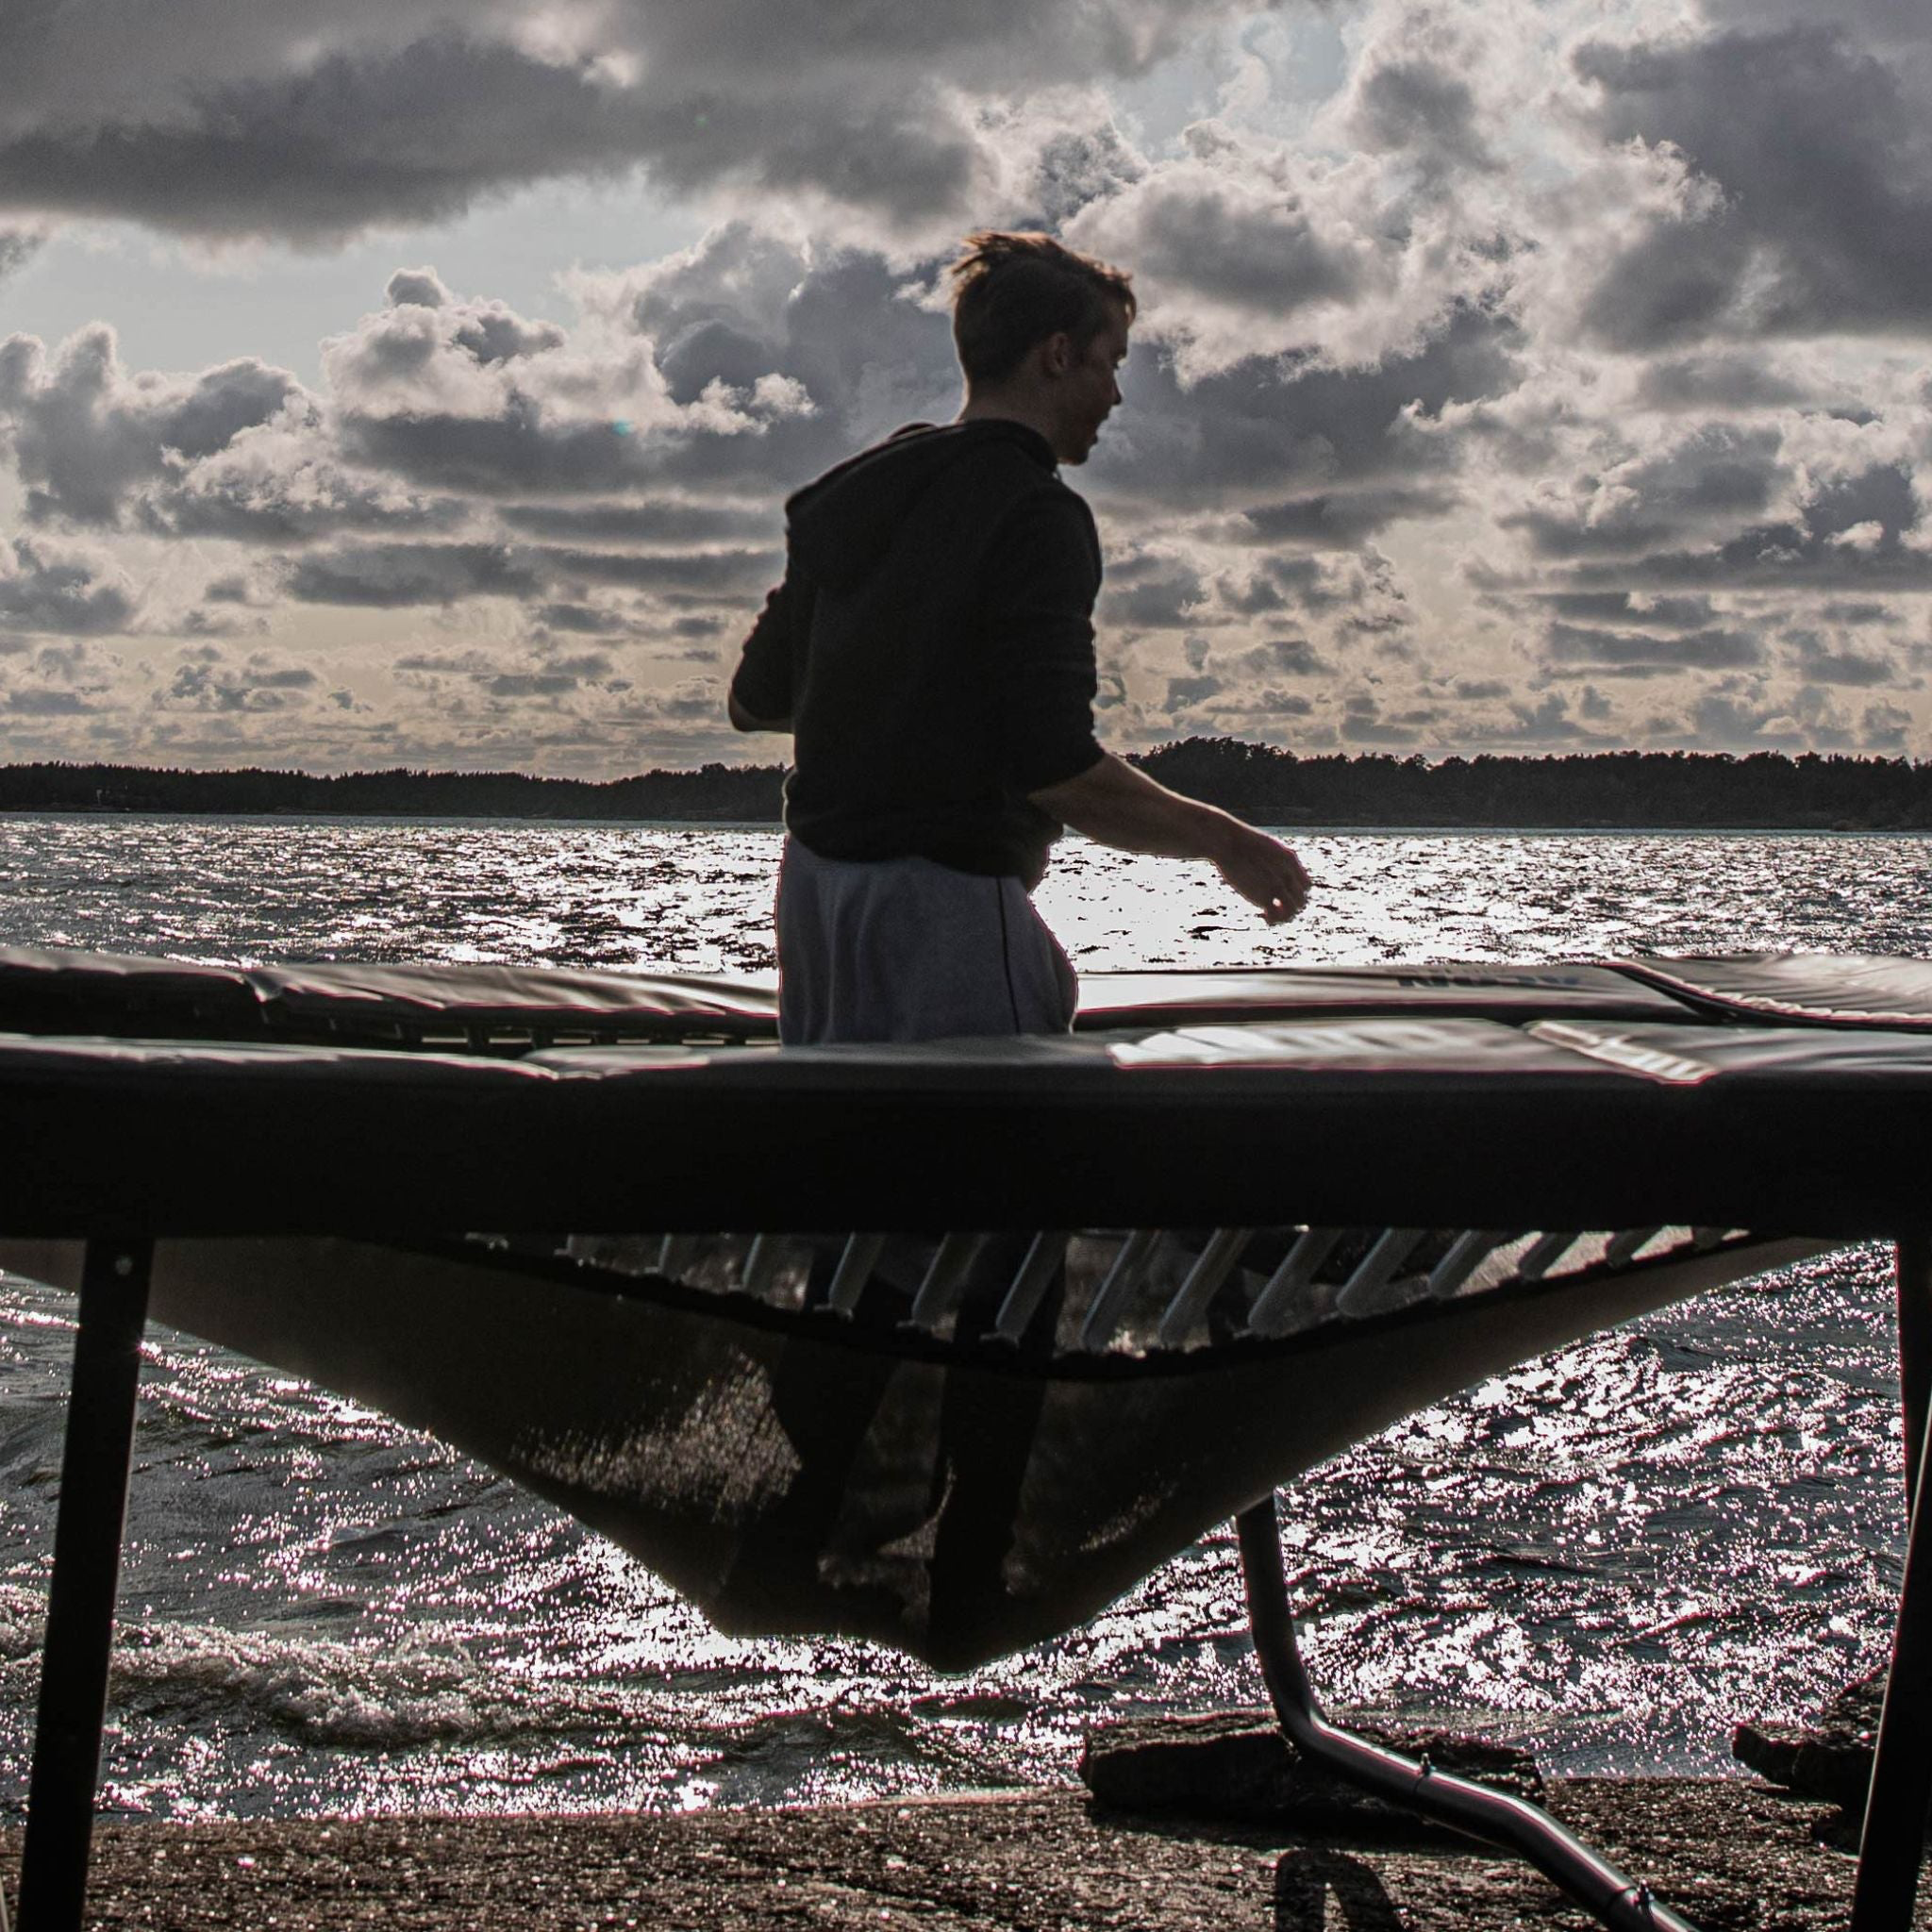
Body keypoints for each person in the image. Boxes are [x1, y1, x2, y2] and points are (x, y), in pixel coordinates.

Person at [728, 228, 1311, 1045]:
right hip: (942, 909)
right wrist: (1223, 840)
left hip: (816, 905)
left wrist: (903, 679)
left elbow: (755, 701)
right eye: (1111, 363)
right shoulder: (1037, 514)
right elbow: (1056, 769)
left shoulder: (859, 492)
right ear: (1058, 355)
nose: (1115, 396)